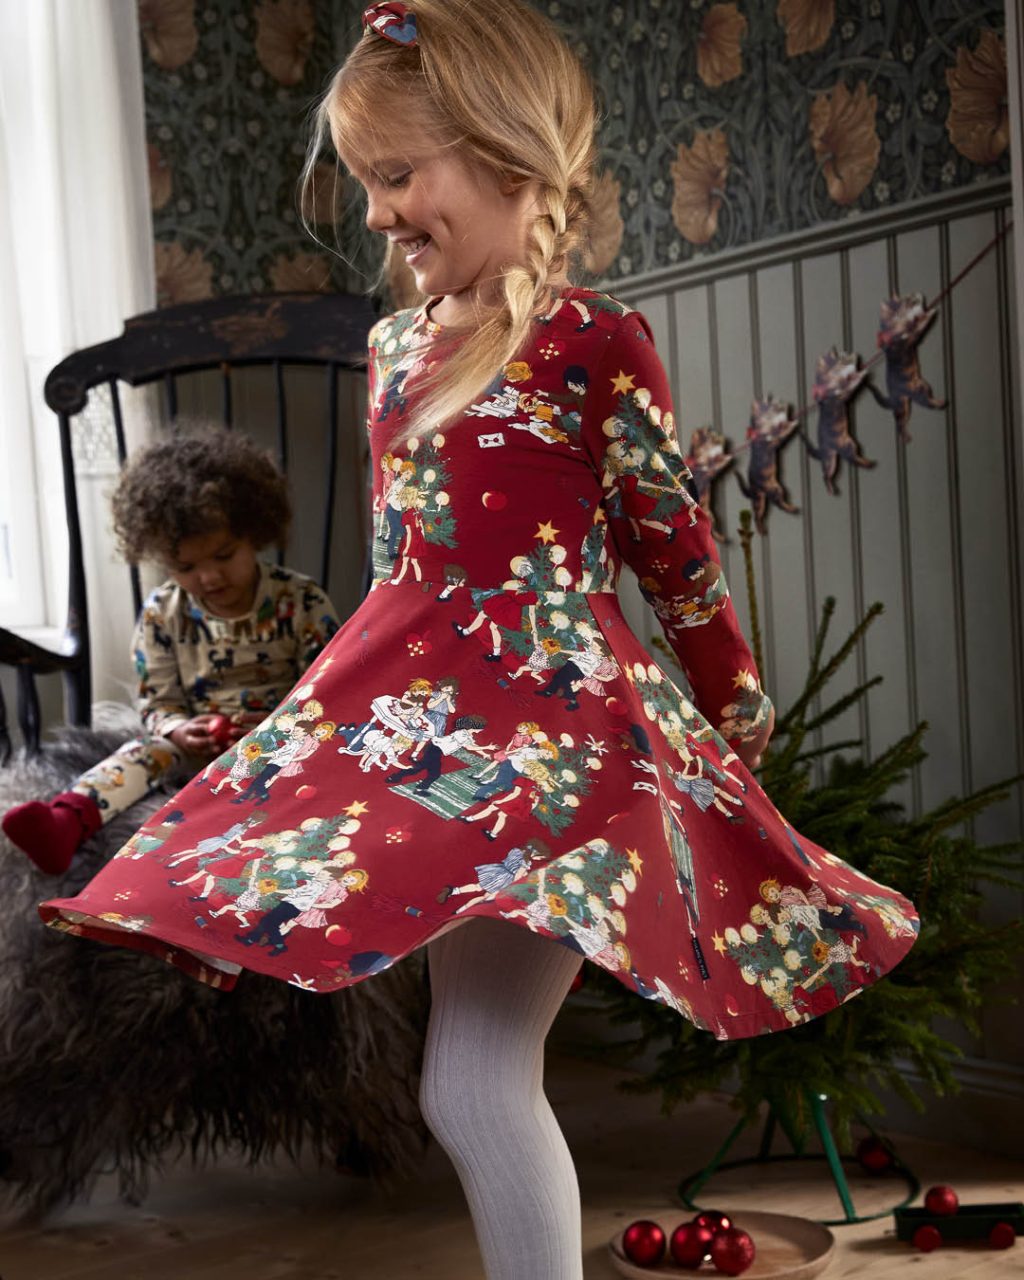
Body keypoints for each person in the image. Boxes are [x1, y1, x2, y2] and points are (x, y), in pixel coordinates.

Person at [40, 4, 919, 1276]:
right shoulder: (392, 346)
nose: (380, 213)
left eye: (399, 175)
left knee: (474, 1082)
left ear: (508, 155)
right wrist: (311, 733)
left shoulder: (593, 342)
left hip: (553, 743)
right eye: (365, 184)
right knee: (467, 1080)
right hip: (423, 725)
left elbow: (670, 542)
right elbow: (406, 568)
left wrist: (730, 700)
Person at [5, 426, 339, 876]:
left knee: (327, 762)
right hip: (194, 750)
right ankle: (68, 820)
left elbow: (331, 686)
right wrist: (179, 728)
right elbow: (157, 699)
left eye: (224, 555)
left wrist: (281, 726)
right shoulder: (163, 614)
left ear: (255, 533)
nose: (209, 577)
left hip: (278, 741)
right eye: (186, 566)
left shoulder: (301, 602)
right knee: (141, 752)